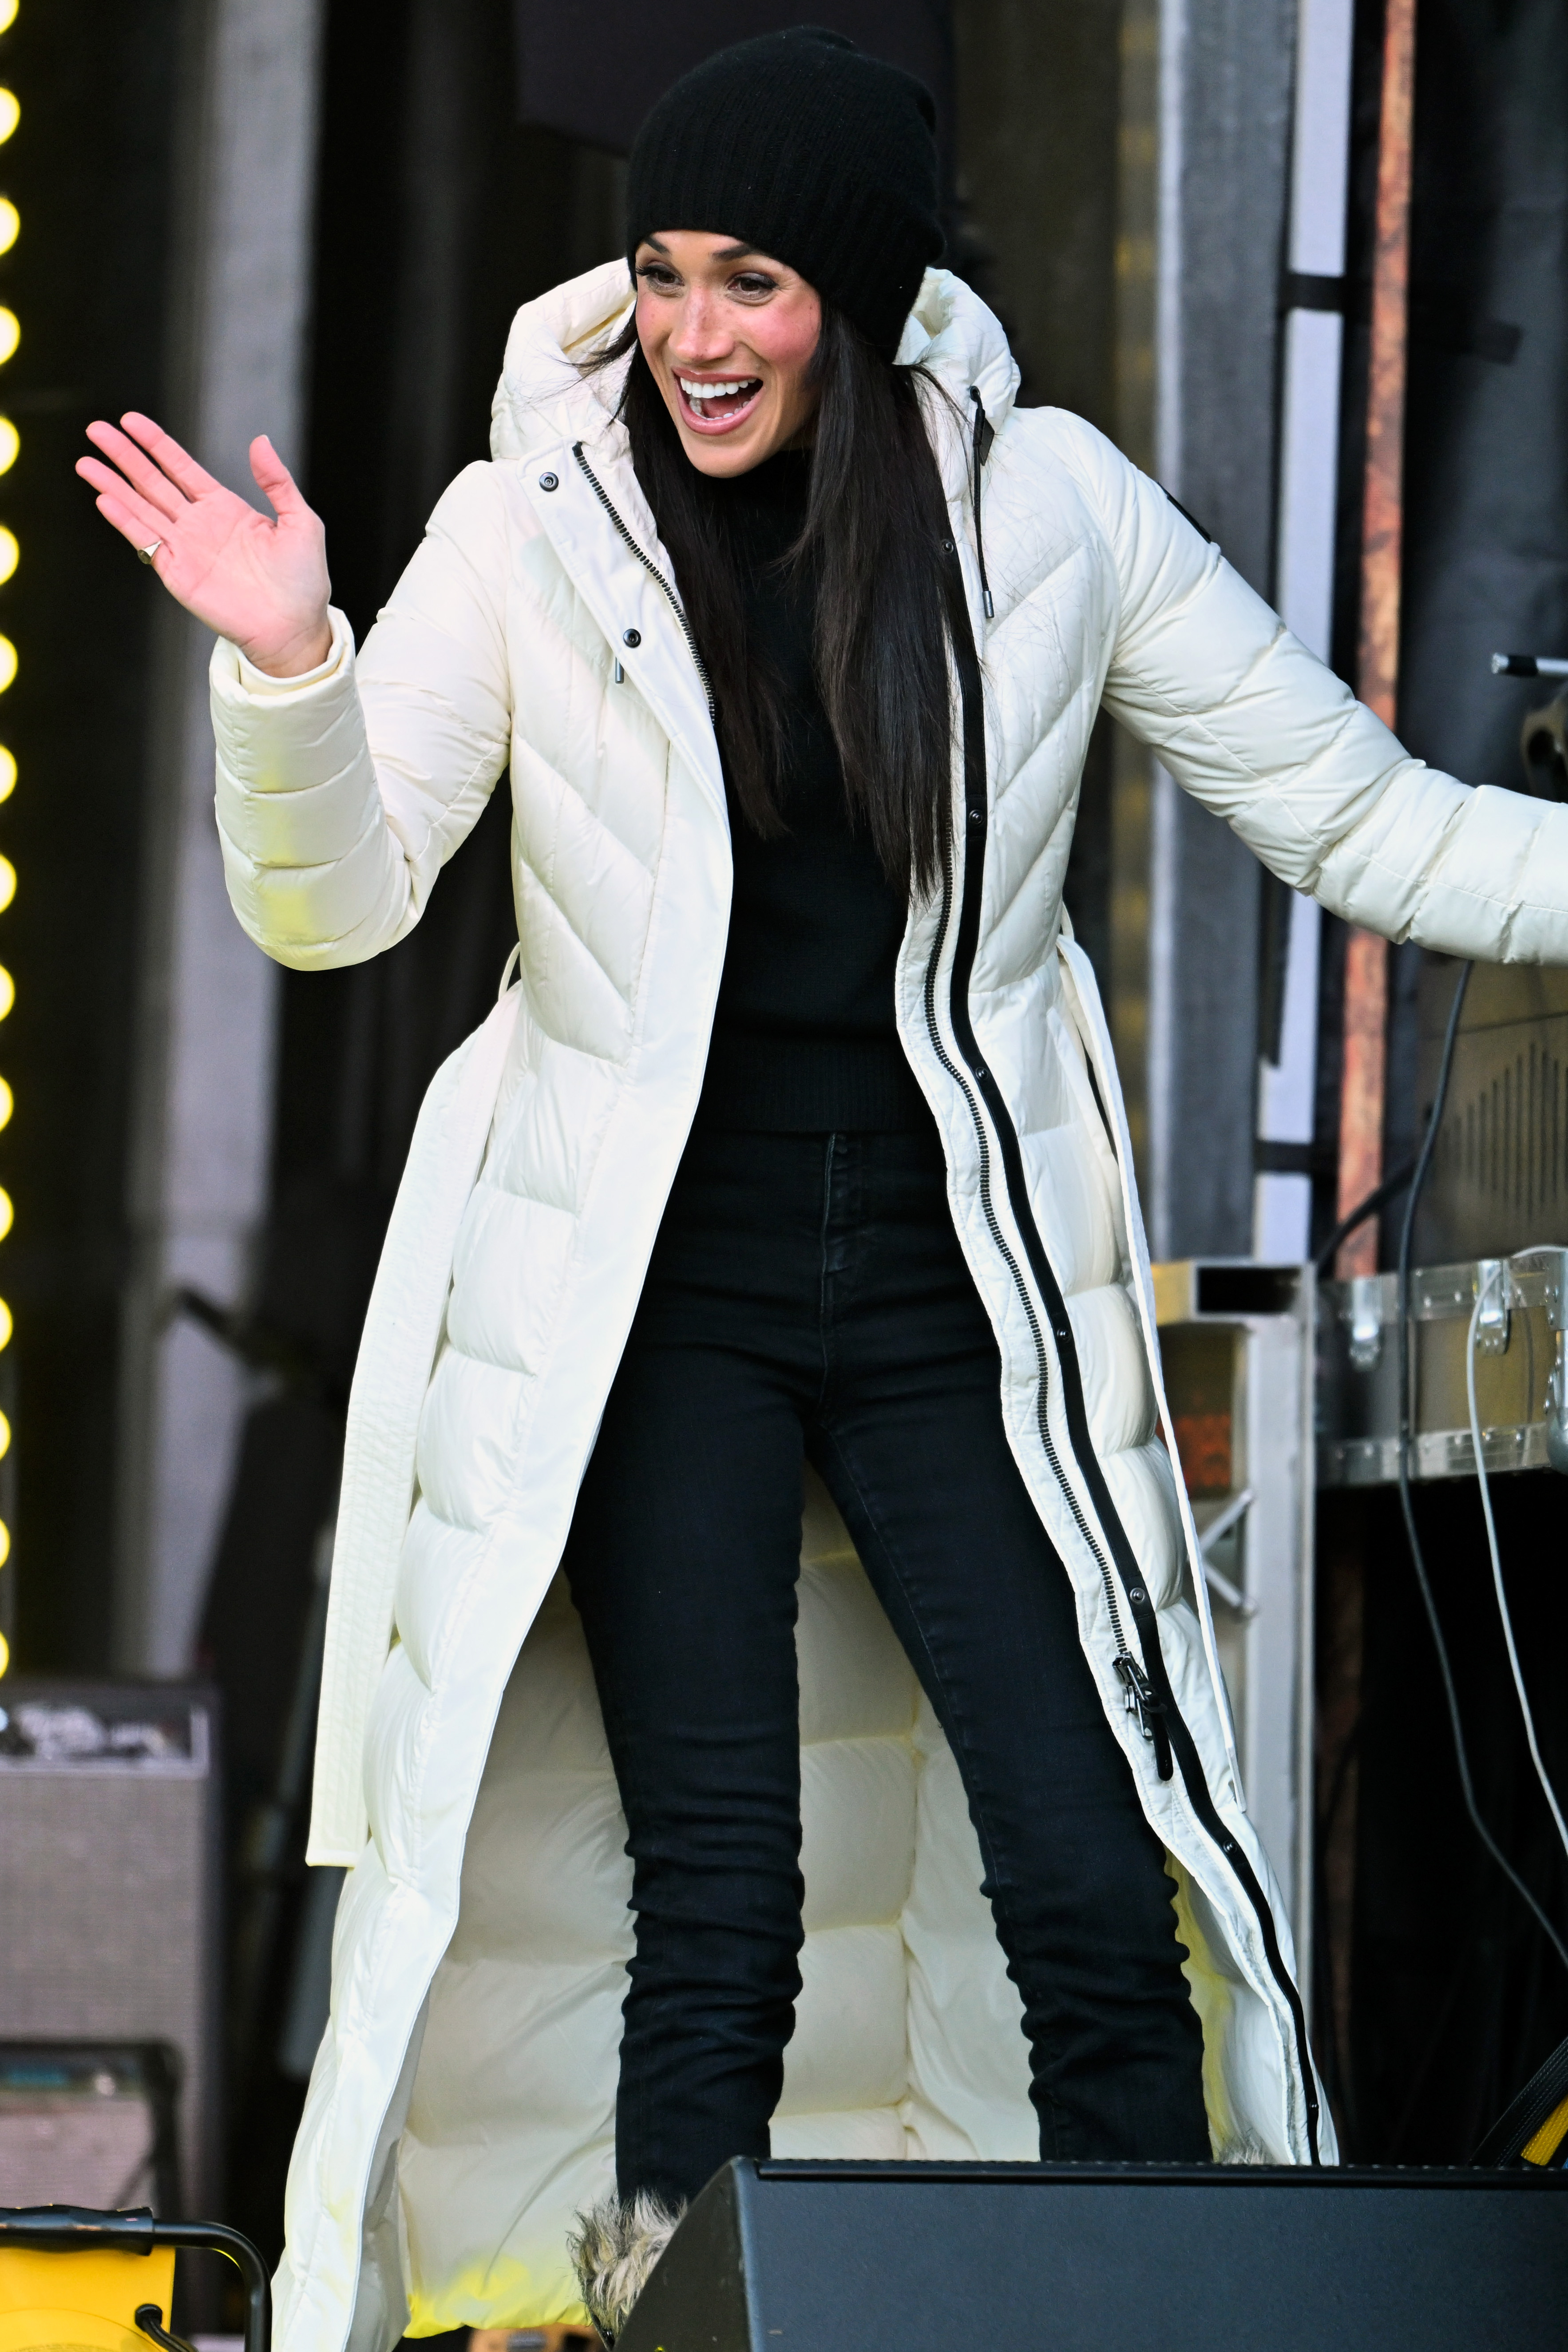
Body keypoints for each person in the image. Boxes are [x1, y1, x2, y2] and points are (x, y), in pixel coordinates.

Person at [77, 27, 1568, 2348]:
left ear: (853, 296)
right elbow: (336, 903)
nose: (691, 330)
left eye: (750, 279)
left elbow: (1359, 818)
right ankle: (679, 2321)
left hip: (950, 1296)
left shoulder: (1049, 515)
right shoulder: (531, 519)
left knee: (1092, 1869)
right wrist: (292, 670)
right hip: (661, 1302)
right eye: (661, 273)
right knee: (723, 1915)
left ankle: (1163, 2321)